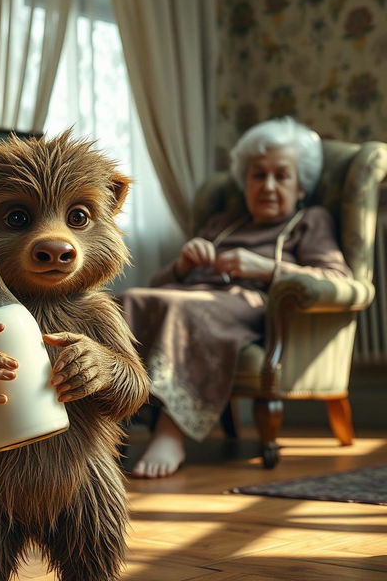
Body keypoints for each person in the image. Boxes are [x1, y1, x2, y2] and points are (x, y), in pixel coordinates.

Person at [120, 117, 353, 479]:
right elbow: (157, 284)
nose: (269, 186)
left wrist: (265, 267)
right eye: (258, 175)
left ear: (301, 186)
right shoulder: (222, 222)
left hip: (246, 306)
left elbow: (337, 279)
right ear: (245, 182)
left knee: (188, 309)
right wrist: (182, 266)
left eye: (282, 176)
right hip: (189, 294)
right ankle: (106, 418)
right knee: (129, 298)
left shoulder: (311, 221)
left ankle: (171, 430)